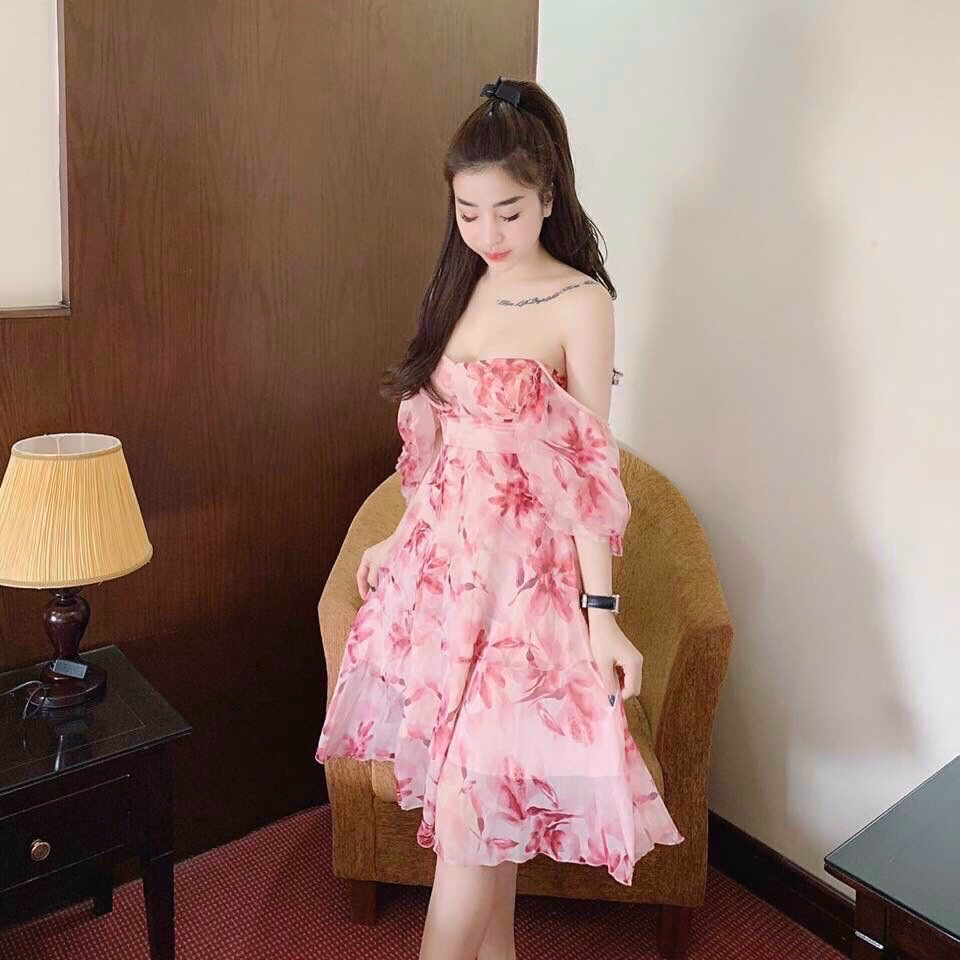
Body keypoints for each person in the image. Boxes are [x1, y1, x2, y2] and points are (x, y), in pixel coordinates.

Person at [315, 76, 684, 960]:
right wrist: (398, 533)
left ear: (548, 196)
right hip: (445, 583)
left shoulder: (581, 303)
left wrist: (603, 616)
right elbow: (442, 441)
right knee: (485, 814)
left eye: (508, 212)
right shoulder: (460, 287)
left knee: (472, 815)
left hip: (527, 595)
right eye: (469, 212)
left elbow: (589, 468)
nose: (488, 232)